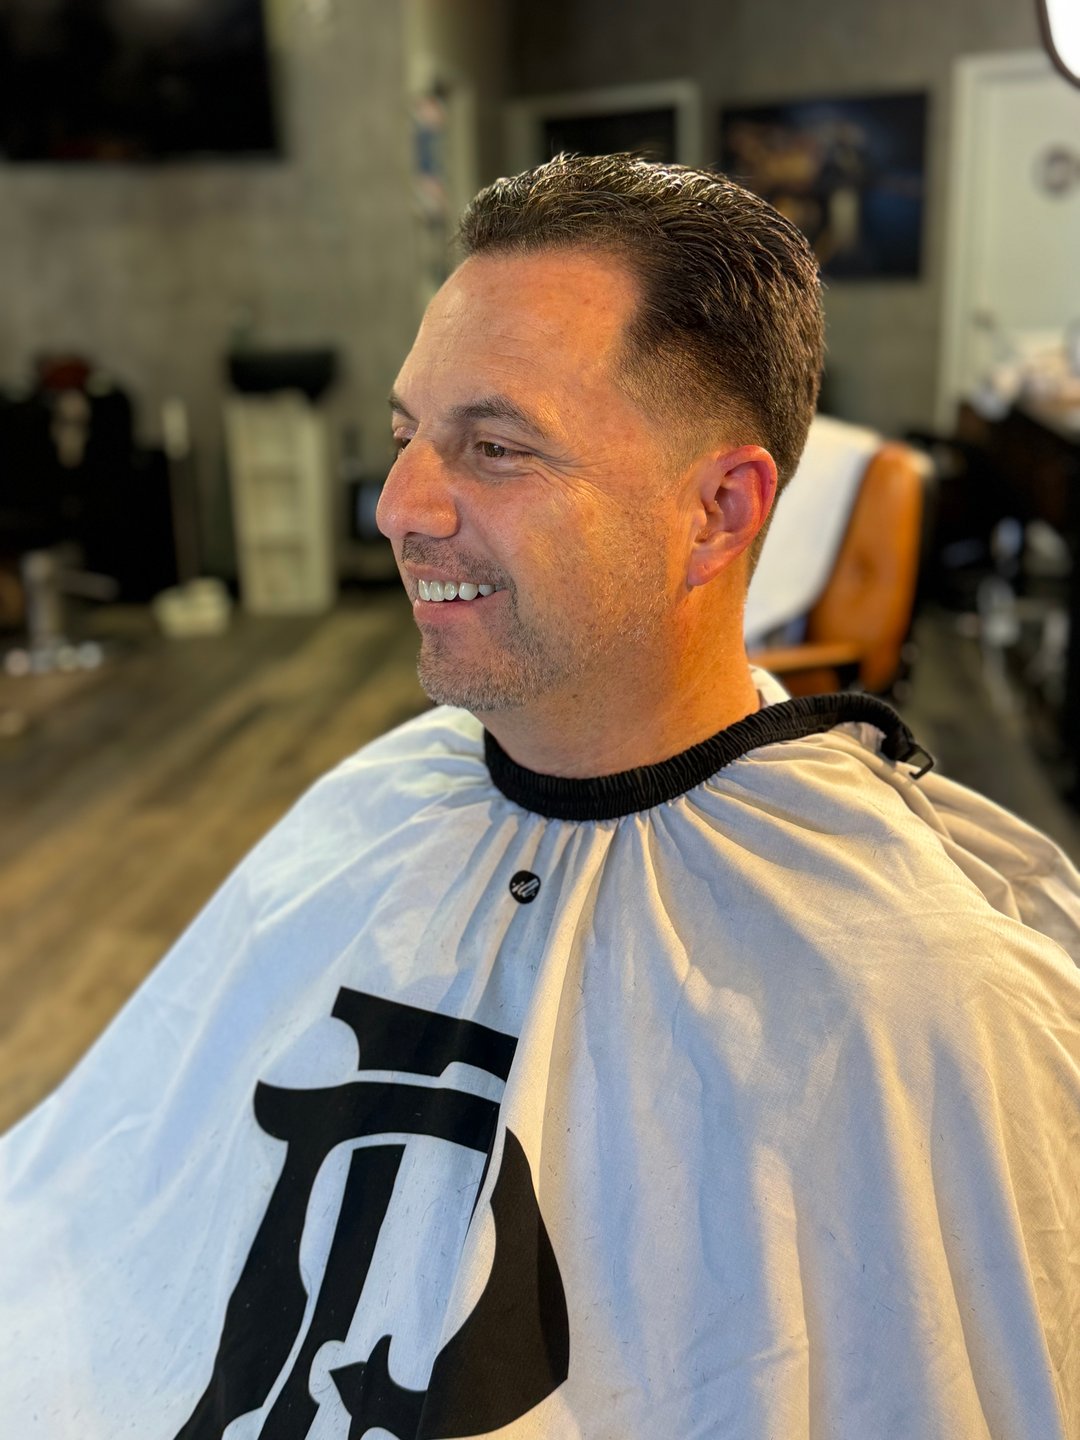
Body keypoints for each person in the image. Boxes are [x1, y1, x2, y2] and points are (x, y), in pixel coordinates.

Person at [1, 154, 1078, 1440]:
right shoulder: (381, 797)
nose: (398, 508)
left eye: (496, 448)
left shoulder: (921, 988)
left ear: (719, 511)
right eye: (406, 435)